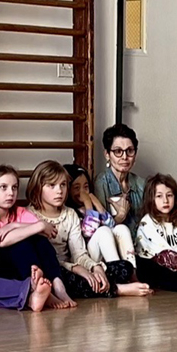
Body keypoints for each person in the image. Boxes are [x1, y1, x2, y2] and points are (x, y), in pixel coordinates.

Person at [25, 160, 150, 299]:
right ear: (38, 188)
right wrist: (76, 269)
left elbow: (78, 253)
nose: (59, 191)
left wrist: (94, 268)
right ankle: (117, 289)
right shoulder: (29, 215)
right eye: (52, 186)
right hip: (55, 271)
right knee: (65, 280)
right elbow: (39, 259)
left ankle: (108, 283)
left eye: (63, 185)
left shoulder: (70, 214)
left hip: (75, 266)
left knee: (124, 267)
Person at [0, 164, 75, 312]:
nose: (10, 193)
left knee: (40, 241)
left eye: (14, 187)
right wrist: (38, 226)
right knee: (21, 243)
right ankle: (36, 287)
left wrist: (13, 225)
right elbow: (1, 241)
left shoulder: (19, 212)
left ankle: (58, 285)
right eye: (3, 187)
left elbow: (48, 232)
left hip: (18, 264)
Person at [67, 163, 138, 273]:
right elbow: (89, 231)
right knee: (103, 231)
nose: (82, 192)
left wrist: (97, 203)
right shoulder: (71, 212)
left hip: (102, 254)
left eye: (86, 187)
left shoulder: (90, 207)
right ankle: (118, 275)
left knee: (121, 229)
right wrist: (88, 203)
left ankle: (133, 272)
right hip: (86, 260)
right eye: (76, 188)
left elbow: (111, 225)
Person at [93, 124, 144, 231]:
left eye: (130, 151)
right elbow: (97, 231)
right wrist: (119, 217)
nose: (125, 157)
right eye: (118, 151)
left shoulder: (141, 184)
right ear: (107, 154)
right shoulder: (100, 183)